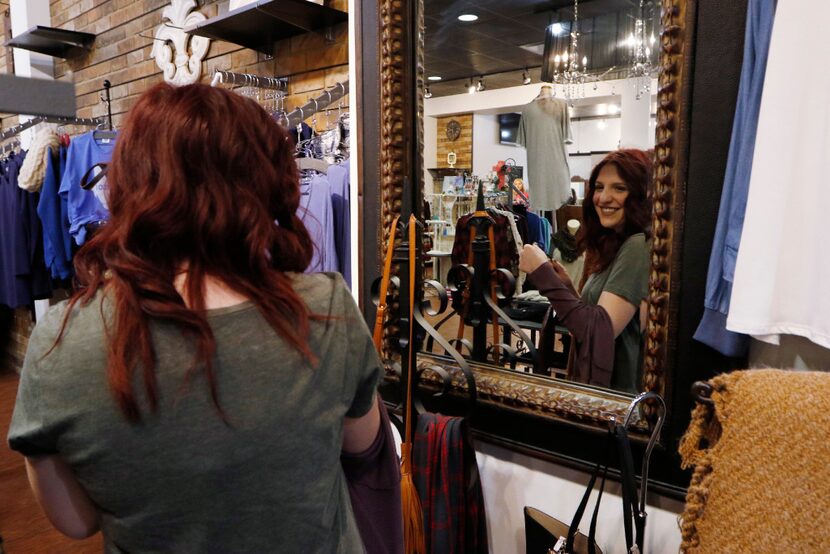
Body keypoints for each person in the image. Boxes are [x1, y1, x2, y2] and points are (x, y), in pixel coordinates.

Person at [7, 83, 388, 552]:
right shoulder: (325, 308)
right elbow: (361, 446)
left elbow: (76, 521)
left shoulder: (58, 341)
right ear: (264, 182)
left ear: (125, 184)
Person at [519, 149, 652, 393]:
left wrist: (542, 273)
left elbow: (598, 332)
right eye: (599, 187)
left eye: (619, 188)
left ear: (640, 195)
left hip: (615, 399)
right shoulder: (616, 245)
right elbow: (588, 321)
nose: (603, 198)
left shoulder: (638, 245)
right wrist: (567, 287)